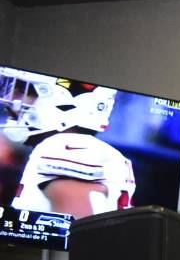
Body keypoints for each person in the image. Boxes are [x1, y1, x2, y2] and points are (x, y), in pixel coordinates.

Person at [2, 72, 135, 218]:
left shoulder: (66, 148)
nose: (10, 100)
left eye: (23, 90)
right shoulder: (90, 149)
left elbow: (78, 227)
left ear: (64, 102)